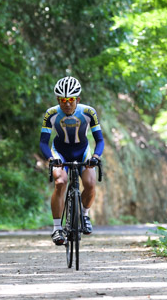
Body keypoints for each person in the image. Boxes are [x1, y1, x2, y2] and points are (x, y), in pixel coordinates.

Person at [39, 76, 104, 245]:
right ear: (57, 100)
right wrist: (51, 158)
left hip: (82, 151)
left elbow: (100, 140)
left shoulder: (88, 112)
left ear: (78, 99)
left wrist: (96, 157)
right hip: (60, 152)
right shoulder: (51, 113)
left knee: (90, 183)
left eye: (70, 100)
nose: (67, 103)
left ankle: (84, 214)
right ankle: (56, 228)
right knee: (60, 182)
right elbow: (43, 142)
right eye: (62, 100)